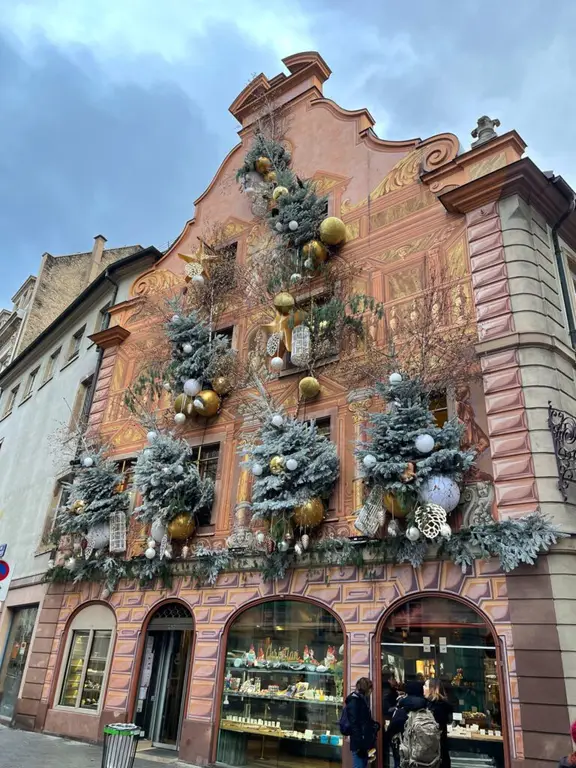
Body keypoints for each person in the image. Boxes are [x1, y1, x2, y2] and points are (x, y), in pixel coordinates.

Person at [344, 677, 380, 768]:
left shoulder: (362, 700)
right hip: (359, 743)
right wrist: (360, 745)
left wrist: (374, 725)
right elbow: (354, 724)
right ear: (366, 689)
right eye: (370, 689)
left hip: (364, 741)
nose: (371, 692)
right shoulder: (354, 701)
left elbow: (364, 719)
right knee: (359, 765)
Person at [424, 679, 453, 768]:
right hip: (437, 752)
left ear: (432, 689)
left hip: (436, 754)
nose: (423, 687)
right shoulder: (437, 705)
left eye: (425, 685)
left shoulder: (436, 708)